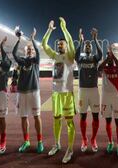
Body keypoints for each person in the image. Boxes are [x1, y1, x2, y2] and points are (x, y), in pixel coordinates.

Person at [42, 17, 76, 163]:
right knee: (56, 120)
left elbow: (71, 43)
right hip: (56, 94)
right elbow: (44, 45)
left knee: (69, 122)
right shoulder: (55, 56)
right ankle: (57, 144)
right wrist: (49, 30)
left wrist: (64, 28)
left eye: (62, 44)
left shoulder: (70, 57)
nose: (60, 46)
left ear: (66, 46)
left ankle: (70, 149)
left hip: (67, 94)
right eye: (59, 44)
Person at [12, 27, 44, 154]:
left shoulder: (36, 61)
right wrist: (19, 39)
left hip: (34, 91)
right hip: (22, 92)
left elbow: (38, 52)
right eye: (28, 49)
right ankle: (26, 141)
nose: (30, 50)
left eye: (31, 49)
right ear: (25, 51)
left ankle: (40, 142)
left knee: (37, 116)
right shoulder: (21, 61)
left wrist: (33, 40)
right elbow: (14, 54)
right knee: (23, 117)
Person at [75, 28, 102, 153]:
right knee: (83, 116)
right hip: (82, 91)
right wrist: (81, 41)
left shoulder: (95, 58)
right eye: (86, 45)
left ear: (91, 48)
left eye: (88, 45)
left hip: (94, 91)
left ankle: (93, 139)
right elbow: (75, 54)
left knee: (96, 116)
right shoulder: (80, 59)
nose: (87, 47)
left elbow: (101, 54)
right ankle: (84, 139)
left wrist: (95, 39)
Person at [98, 45, 118, 158]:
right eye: (108, 55)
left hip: (116, 97)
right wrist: (107, 59)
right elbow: (98, 68)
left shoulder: (116, 68)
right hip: (105, 97)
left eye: (111, 55)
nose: (109, 57)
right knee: (108, 121)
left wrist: (113, 57)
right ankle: (110, 142)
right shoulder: (103, 68)